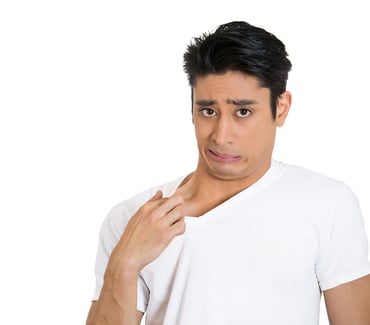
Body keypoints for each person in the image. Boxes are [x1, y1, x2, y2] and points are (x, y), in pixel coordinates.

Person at [86, 21, 370, 325]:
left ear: (282, 108)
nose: (221, 136)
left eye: (243, 112)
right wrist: (124, 264)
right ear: (192, 108)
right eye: (208, 110)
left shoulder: (328, 204)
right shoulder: (135, 217)